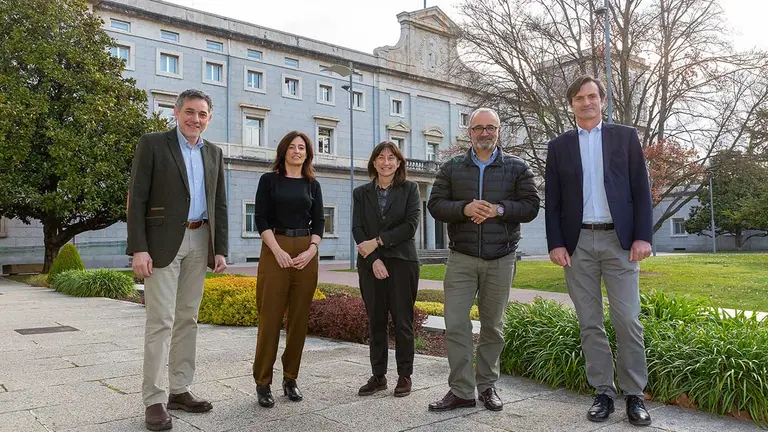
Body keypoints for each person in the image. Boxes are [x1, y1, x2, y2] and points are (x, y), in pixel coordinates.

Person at [545, 75, 653, 426]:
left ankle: (634, 394)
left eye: (592, 96)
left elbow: (640, 188)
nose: (587, 102)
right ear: (571, 104)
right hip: (578, 245)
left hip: (619, 242)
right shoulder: (558, 146)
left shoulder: (625, 137)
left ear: (603, 101)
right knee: (590, 323)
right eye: (579, 97)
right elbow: (554, 199)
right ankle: (603, 392)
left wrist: (642, 236)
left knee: (628, 320)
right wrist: (556, 243)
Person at [126, 89, 228, 431]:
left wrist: (220, 249)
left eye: (201, 114)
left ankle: (180, 389)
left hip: (201, 239)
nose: (194, 119)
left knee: (189, 318)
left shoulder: (214, 153)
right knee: (161, 320)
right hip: (161, 242)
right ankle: (154, 399)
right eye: (189, 111)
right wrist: (138, 248)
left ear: (209, 118)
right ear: (176, 111)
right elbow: (137, 197)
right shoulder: (153, 144)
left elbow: (220, 204)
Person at [427, 107, 540, 413]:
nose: (485, 133)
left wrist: (498, 210)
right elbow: (435, 205)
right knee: (456, 324)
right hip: (461, 258)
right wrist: (465, 209)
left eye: (491, 127)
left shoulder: (517, 167)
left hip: (501, 258)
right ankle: (461, 391)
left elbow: (531, 206)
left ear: (499, 131)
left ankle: (487, 387)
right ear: (470, 132)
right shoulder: (451, 168)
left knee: (493, 326)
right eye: (479, 128)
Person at [251, 131, 324, 408]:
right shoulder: (268, 181)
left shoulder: (312, 185)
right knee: (270, 317)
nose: (297, 151)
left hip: (306, 251)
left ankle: (291, 378)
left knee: (299, 319)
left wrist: (311, 250)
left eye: (302, 148)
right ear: (284, 151)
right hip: (275, 247)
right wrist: (277, 250)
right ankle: (263, 382)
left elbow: (318, 222)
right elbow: (260, 218)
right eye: (292, 147)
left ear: (307, 153)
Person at [352, 141, 421, 398]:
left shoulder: (410, 190)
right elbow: (358, 229)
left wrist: (378, 242)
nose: (386, 162)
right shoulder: (361, 193)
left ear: (399, 163)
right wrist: (374, 260)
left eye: (391, 158)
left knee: (403, 321)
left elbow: (410, 226)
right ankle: (378, 375)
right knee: (376, 321)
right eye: (380, 157)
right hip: (371, 264)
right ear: (373, 163)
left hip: (403, 262)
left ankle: (404, 375)